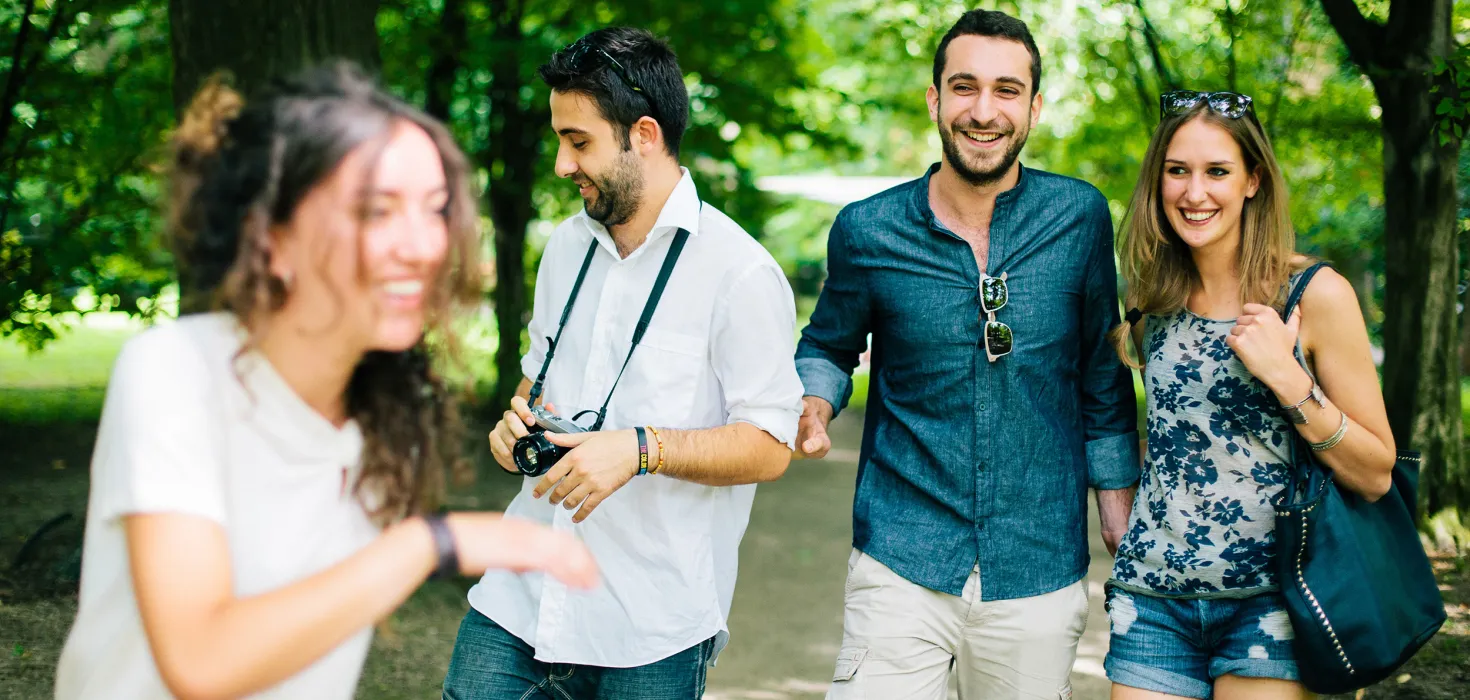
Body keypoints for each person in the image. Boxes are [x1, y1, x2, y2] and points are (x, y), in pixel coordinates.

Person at [52, 62, 597, 700]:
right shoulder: (176, 371)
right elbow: (200, 659)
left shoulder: (385, 409)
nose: (423, 245)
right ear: (273, 237)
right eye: (375, 211)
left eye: (435, 210)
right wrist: (429, 544)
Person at [441, 27, 803, 700]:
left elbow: (770, 445)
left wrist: (642, 450)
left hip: (651, 629)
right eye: (559, 140)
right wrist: (510, 431)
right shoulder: (563, 250)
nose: (560, 164)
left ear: (644, 134)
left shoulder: (740, 273)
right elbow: (532, 388)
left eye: (579, 142)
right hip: (518, 600)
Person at [793, 9, 1140, 700]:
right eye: (965, 87)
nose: (985, 111)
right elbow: (828, 344)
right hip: (902, 552)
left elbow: (1102, 373)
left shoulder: (1079, 218)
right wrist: (814, 398)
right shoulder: (867, 231)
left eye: (1007, 90)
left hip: (1039, 561)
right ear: (935, 99)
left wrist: (1116, 500)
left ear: (1034, 107)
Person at [1102, 90, 1396, 700]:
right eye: (1176, 171)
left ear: (1253, 180)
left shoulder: (1313, 294)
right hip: (1153, 598)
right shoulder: (1149, 300)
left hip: (1273, 602)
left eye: (1217, 172)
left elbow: (1375, 474)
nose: (1194, 192)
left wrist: (1289, 379)